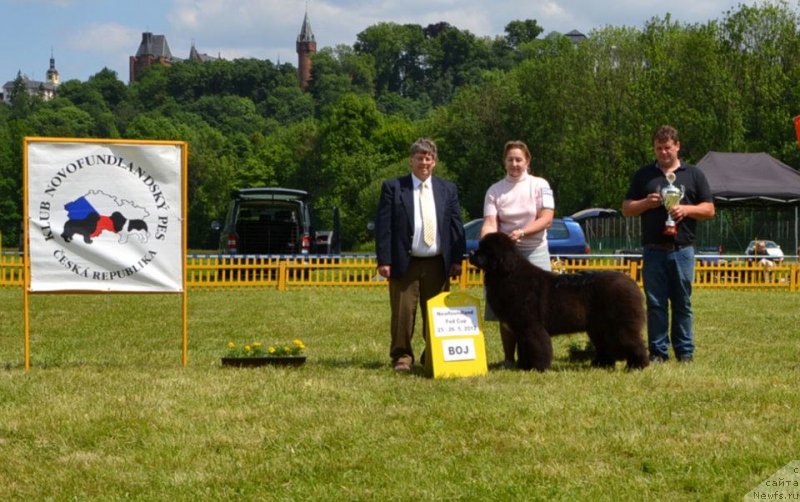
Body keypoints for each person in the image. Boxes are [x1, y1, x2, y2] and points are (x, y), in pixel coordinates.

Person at [622, 125, 715, 363]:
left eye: (667, 148)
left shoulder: (694, 174)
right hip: (653, 250)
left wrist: (686, 209)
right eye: (658, 148)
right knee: (655, 304)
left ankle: (685, 352)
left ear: (677, 146)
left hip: (682, 249)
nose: (663, 153)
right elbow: (626, 208)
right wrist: (645, 203)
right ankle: (658, 352)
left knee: (683, 303)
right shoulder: (644, 175)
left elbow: (709, 209)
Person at [375, 138, 466, 372]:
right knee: (403, 314)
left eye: (428, 158)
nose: (424, 162)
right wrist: (384, 260)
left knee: (436, 314)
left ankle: (433, 355)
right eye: (419, 158)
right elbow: (383, 227)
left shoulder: (448, 189)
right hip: (405, 262)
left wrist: (457, 259)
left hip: (438, 262)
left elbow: (456, 226)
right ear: (411, 161)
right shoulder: (393, 187)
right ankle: (402, 357)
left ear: (434, 162)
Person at [480, 140, 555, 369]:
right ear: (504, 162)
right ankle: (509, 358)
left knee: (540, 309)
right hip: (505, 257)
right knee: (506, 308)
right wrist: (486, 241)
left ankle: (536, 357)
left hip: (535, 250)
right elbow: (490, 222)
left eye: (519, 159)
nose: (514, 164)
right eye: (510, 159)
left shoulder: (540, 184)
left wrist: (523, 231)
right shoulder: (495, 190)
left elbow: (547, 217)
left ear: (527, 161)